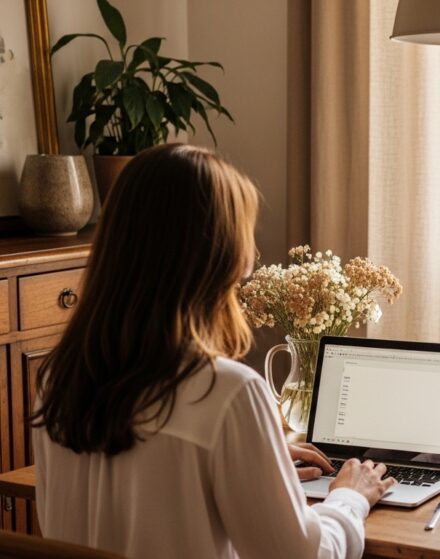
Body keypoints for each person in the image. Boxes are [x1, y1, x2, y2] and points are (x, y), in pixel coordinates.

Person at [30, 144, 395, 558]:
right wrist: (350, 498)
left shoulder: (58, 381)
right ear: (222, 256)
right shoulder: (228, 394)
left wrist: (255, 455)